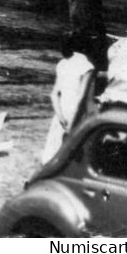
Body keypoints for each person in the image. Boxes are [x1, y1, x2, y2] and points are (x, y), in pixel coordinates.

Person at [42, 34, 97, 164]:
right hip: (76, 115)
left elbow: (54, 94)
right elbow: (81, 98)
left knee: (53, 154)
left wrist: (60, 117)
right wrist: (72, 123)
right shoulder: (86, 66)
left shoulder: (62, 63)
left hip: (61, 113)